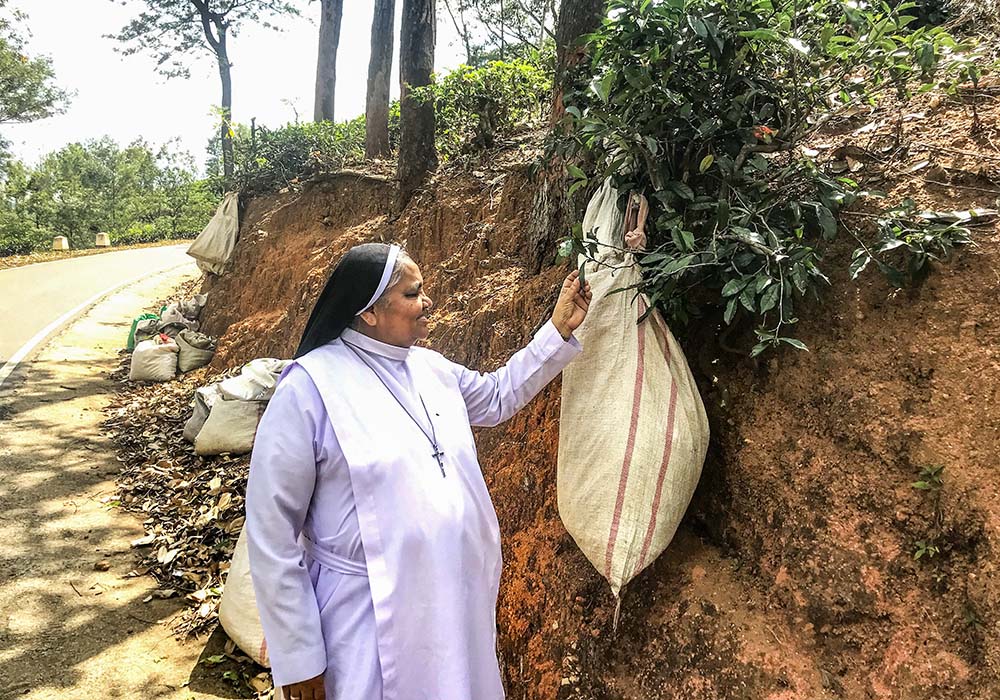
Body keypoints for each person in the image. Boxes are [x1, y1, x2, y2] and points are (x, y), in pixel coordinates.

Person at [245, 242, 592, 700]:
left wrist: (556, 330)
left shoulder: (432, 368)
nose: (427, 303)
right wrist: (299, 655)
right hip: (363, 618)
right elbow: (271, 531)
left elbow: (498, 396)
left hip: (451, 602)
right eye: (413, 294)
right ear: (368, 311)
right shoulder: (310, 388)